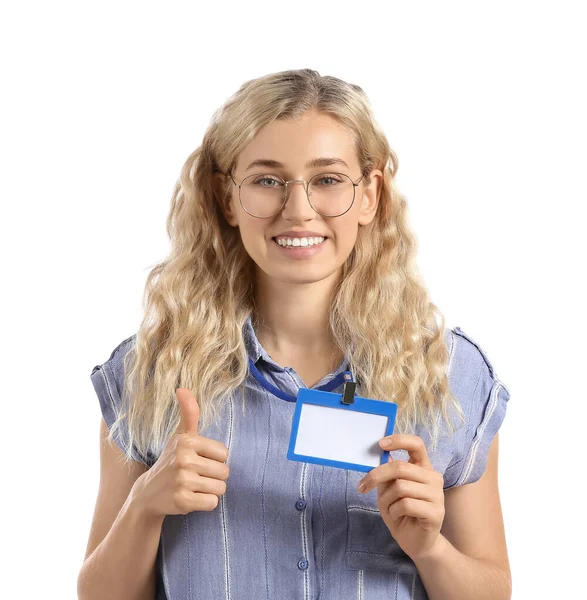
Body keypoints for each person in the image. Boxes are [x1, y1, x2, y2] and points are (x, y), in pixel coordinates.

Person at [77, 69, 512, 600]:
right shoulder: (149, 373)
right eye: (267, 180)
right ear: (227, 198)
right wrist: (145, 504)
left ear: (370, 195)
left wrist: (430, 549)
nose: (299, 209)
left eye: (328, 180)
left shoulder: (449, 375)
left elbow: (493, 589)